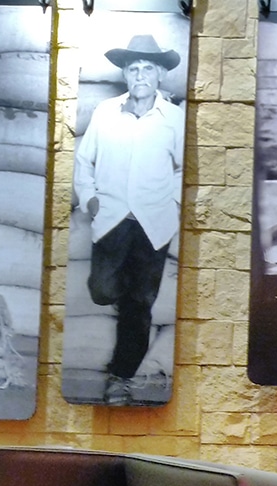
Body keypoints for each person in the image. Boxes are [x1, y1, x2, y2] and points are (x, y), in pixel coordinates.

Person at [73, 34, 184, 406]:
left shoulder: (174, 119)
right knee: (102, 290)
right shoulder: (106, 112)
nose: (140, 75)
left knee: (140, 305)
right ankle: (130, 300)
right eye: (133, 68)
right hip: (112, 217)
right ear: (124, 73)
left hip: (154, 223)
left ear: (160, 75)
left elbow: (184, 168)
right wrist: (89, 198)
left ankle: (120, 378)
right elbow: (84, 161)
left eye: (148, 68)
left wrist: (173, 202)